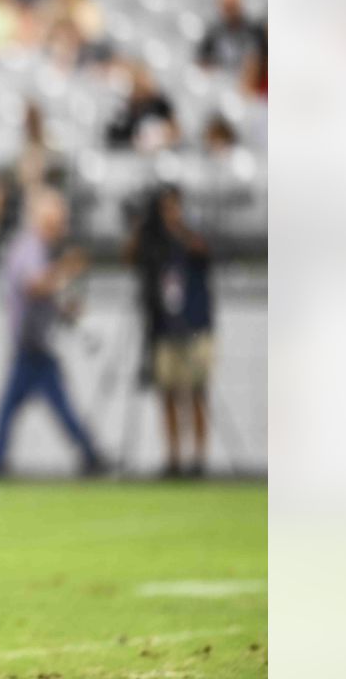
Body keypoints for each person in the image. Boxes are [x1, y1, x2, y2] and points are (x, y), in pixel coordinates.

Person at [0, 189, 105, 477]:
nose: (64, 226)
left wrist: (73, 315)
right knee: (28, 405)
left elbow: (49, 294)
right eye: (58, 219)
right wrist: (67, 269)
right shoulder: (29, 247)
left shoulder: (41, 249)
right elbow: (34, 285)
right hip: (29, 342)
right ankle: (91, 457)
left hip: (37, 342)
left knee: (28, 406)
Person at [124, 186, 215, 478]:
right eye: (164, 208)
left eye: (174, 207)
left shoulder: (191, 234)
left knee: (197, 392)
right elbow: (129, 258)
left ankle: (198, 459)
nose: (170, 214)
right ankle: (174, 458)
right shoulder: (154, 243)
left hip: (195, 325)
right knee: (168, 393)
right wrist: (142, 227)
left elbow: (205, 254)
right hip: (163, 327)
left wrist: (180, 229)